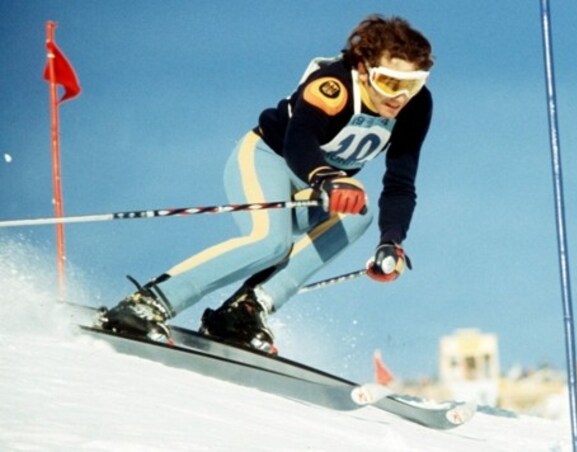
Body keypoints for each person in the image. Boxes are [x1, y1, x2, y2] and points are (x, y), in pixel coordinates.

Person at [99, 14, 434, 353]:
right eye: (391, 83)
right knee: (270, 242)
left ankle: (244, 311)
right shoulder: (333, 86)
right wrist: (326, 178)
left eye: (413, 84)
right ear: (364, 69)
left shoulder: (416, 106)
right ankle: (148, 302)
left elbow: (400, 182)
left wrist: (391, 242)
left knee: (359, 214)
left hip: (320, 184)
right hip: (268, 159)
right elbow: (298, 140)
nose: (400, 97)